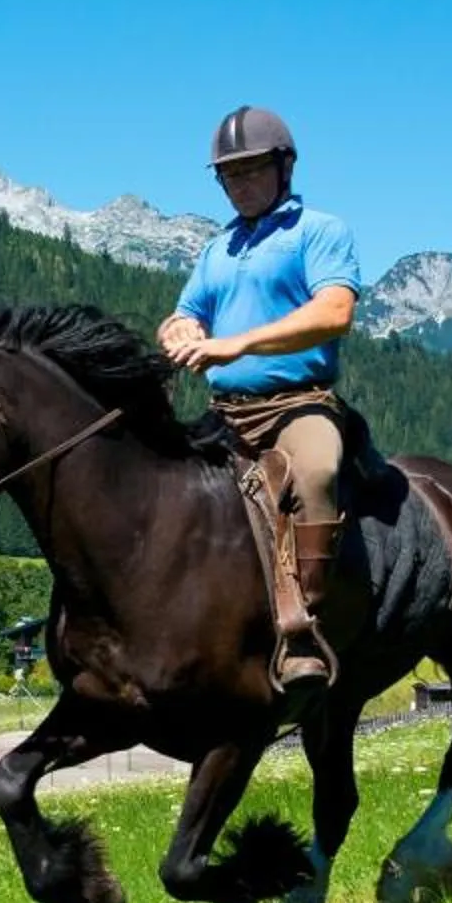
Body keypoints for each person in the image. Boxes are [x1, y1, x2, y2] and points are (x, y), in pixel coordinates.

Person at [157, 105, 363, 692]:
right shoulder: (218, 249)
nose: (239, 185)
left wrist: (238, 343)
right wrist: (178, 330)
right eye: (229, 175)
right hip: (226, 413)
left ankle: (306, 629)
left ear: (284, 167)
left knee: (319, 471)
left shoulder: (318, 231)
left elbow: (335, 311)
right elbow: (185, 312)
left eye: (250, 171)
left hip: (297, 405)